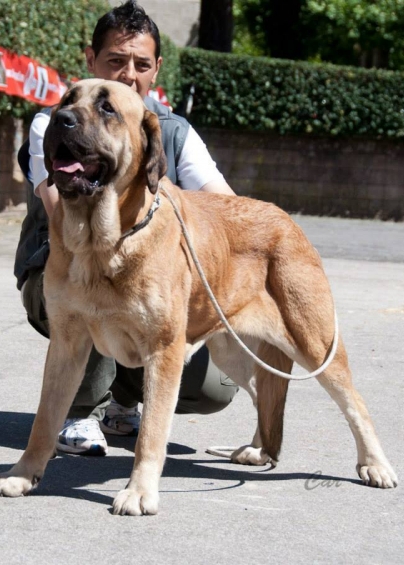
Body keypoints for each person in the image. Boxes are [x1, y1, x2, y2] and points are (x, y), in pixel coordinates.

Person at [14, 0, 238, 457]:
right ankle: (79, 408)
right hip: (61, 272)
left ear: (156, 69)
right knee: (97, 275)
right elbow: (62, 220)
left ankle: (124, 403)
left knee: (213, 386)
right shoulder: (55, 122)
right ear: (91, 60)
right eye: (115, 61)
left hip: (142, 280)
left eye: (140, 64)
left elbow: (227, 210)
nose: (127, 75)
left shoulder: (171, 133)